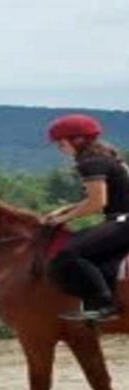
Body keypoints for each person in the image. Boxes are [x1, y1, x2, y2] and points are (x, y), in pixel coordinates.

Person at [44, 114, 129, 322]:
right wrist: (65, 209)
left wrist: (63, 219)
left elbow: (97, 202)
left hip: (123, 221)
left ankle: (103, 305)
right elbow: (102, 197)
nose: (60, 149)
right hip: (120, 219)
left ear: (77, 140)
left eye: (61, 143)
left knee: (68, 254)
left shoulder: (90, 163)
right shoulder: (105, 159)